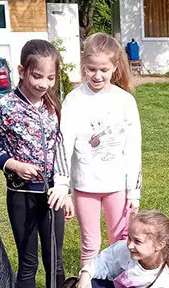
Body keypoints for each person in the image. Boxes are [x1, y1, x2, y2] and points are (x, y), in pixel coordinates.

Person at [0, 39, 69, 288]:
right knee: (28, 261)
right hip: (21, 196)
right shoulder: (5, 107)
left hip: (52, 197)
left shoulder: (53, 106)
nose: (44, 84)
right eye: (37, 76)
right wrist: (13, 164)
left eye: (50, 78)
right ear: (22, 71)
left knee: (55, 259)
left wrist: (64, 189)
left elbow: (61, 148)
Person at [49, 33, 141, 266]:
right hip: (85, 185)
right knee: (90, 244)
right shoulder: (74, 100)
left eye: (104, 70)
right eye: (91, 69)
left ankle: (119, 287)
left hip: (118, 186)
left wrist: (134, 191)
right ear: (83, 65)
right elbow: (64, 143)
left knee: (120, 242)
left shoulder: (125, 101)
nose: (97, 76)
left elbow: (133, 148)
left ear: (115, 66)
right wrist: (62, 185)